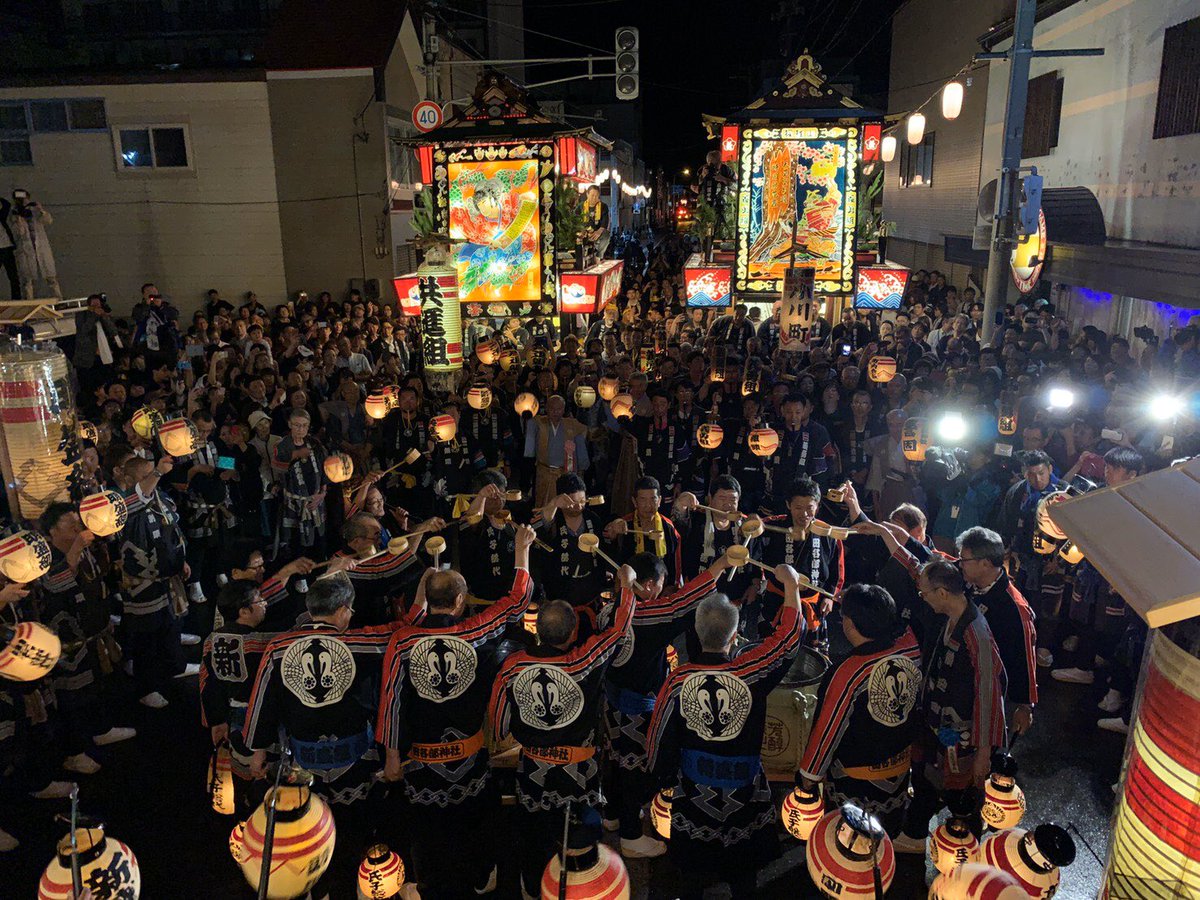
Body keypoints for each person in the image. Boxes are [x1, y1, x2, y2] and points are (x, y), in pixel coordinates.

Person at [376, 526, 535, 897]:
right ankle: (480, 876)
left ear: (427, 598)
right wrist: (522, 550)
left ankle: (427, 882)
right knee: (475, 821)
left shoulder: (402, 641)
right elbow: (516, 601)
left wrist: (392, 755)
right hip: (468, 756)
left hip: (421, 760)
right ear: (461, 600)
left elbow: (391, 700)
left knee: (427, 828)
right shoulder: (474, 632)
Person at [645, 562, 804, 899]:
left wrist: (661, 777)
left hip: (694, 793)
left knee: (692, 876)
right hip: (744, 792)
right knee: (744, 875)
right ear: (734, 636)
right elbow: (788, 639)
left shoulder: (678, 680)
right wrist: (791, 586)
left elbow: (658, 737)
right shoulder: (751, 671)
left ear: (696, 632)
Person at [488, 565, 634, 897]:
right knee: (580, 838)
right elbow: (618, 630)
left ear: (538, 630)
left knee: (535, 834)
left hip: (533, 768)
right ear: (572, 633)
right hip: (579, 771)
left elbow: (498, 722)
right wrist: (626, 587)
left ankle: (533, 887)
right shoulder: (583, 662)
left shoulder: (513, 666)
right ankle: (584, 890)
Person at [605, 549, 731, 858]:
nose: (662, 592)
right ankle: (631, 836)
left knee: (614, 759)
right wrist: (722, 564)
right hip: (637, 707)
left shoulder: (609, 610)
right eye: (660, 585)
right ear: (648, 585)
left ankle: (613, 814)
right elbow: (683, 601)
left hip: (610, 701)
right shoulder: (647, 616)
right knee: (634, 768)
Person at [797, 583, 922, 837]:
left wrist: (808, 776)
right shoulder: (911, 649)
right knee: (885, 842)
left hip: (856, 783)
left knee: (850, 843)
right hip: (899, 771)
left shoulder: (849, 672)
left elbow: (827, 730)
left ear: (849, 624)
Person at [36, 503, 137, 776]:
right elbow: (53, 585)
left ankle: (100, 729)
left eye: (78, 523)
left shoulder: (85, 551)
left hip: (93, 634)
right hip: (67, 642)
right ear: (52, 531)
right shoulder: (43, 560)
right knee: (72, 698)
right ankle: (74, 753)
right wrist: (77, 548)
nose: (78, 528)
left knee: (96, 687)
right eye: (70, 524)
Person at [113, 452, 197, 710]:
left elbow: (173, 531)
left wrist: (181, 560)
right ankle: (145, 688)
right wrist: (158, 471)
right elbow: (139, 497)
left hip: (167, 575)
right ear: (130, 481)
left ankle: (176, 666)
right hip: (142, 582)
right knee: (146, 635)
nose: (153, 480)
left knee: (170, 624)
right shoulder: (121, 505)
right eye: (146, 477)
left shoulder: (160, 497)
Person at [604, 475, 683, 589]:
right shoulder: (624, 525)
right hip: (630, 588)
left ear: (659, 500)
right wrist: (612, 532)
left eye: (653, 499)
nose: (648, 505)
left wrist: (671, 586)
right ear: (634, 501)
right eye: (643, 499)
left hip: (661, 589)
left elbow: (675, 562)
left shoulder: (668, 527)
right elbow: (608, 541)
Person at [524, 394, 589, 507]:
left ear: (563, 409)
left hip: (566, 473)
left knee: (567, 506)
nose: (555, 412)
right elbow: (529, 448)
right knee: (544, 506)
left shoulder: (572, 425)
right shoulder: (539, 423)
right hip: (544, 473)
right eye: (552, 409)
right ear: (546, 409)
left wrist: (581, 470)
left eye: (559, 409)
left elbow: (581, 449)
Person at [7, 189, 61, 299]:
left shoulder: (35, 211)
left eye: (24, 198)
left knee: (51, 276)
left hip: (41, 248)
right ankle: (29, 302)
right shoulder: (13, 214)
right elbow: (18, 232)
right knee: (27, 279)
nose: (23, 201)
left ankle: (58, 299)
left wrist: (41, 210)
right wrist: (18, 219)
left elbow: (48, 221)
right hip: (26, 250)